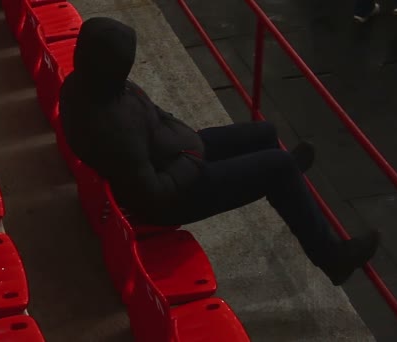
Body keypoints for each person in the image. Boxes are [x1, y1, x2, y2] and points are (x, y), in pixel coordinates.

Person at [59, 17, 379, 286]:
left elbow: (148, 115)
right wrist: (192, 159)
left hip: (172, 153)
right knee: (278, 165)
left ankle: (286, 183)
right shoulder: (115, 129)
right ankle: (333, 258)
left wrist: (184, 141)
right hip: (176, 195)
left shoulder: (83, 84)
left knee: (264, 133)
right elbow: (152, 194)